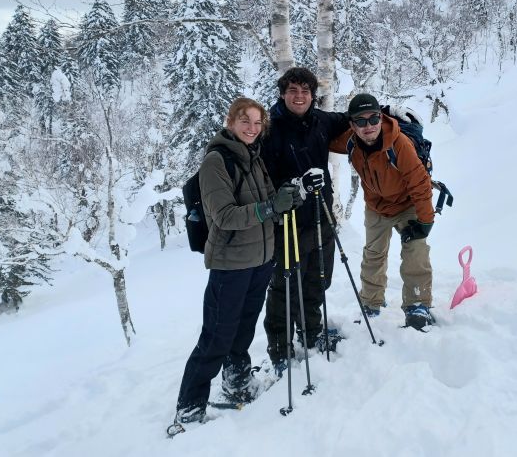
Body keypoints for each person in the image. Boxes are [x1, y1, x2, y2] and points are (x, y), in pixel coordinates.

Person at [174, 98, 302, 426]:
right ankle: (189, 407)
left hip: (260, 260)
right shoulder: (216, 161)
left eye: (258, 123)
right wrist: (271, 207)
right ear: (231, 121)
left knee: (244, 329)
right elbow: (224, 215)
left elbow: (270, 201)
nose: (252, 128)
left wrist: (288, 195)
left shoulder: (254, 157)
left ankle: (237, 382)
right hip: (230, 263)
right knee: (216, 336)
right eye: (245, 121)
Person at [261, 67, 349, 371]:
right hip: (287, 224)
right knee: (285, 289)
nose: (299, 97)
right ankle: (280, 350)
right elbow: (261, 179)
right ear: (283, 94)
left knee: (316, 283)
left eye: (305, 91)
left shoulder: (321, 120)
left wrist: (386, 112)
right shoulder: (269, 130)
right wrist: (294, 187)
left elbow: (352, 117)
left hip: (321, 218)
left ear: (313, 95)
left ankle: (311, 334)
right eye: (293, 91)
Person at [330, 93, 436, 330]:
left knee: (415, 251)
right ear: (352, 124)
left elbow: (420, 184)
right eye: (361, 121)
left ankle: (418, 304)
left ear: (381, 118)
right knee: (373, 255)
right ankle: (371, 303)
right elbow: (321, 137)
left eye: (374, 119)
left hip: (407, 204)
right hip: (377, 207)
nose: (368, 126)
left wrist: (425, 221)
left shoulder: (399, 144)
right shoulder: (349, 141)